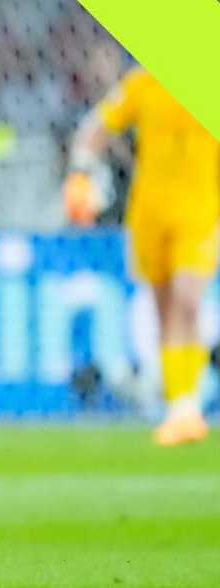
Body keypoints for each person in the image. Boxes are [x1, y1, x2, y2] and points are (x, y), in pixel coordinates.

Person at [64, 66, 219, 446]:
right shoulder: (143, 84)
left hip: (201, 215)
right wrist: (81, 173)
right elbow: (92, 130)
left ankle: (188, 405)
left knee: (187, 299)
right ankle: (180, 407)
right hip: (148, 215)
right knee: (165, 308)